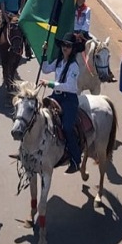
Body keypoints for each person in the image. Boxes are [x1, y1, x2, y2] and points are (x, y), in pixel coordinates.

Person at [39, 32, 82, 174]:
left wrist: (50, 84)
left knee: (67, 127)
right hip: (56, 97)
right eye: (64, 45)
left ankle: (76, 159)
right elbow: (45, 69)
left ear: (73, 49)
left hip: (69, 99)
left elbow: (69, 86)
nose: (65, 48)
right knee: (39, 115)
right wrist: (43, 53)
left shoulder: (74, 66)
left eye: (68, 46)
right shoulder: (59, 61)